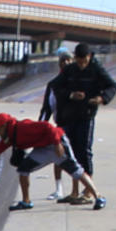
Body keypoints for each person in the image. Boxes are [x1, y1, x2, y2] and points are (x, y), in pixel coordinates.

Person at [0, 113, 104, 211]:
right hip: (42, 150)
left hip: (57, 143)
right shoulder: (9, 137)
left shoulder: (23, 126)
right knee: (23, 169)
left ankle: (98, 197)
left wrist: (57, 144)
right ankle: (26, 202)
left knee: (76, 171)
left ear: (5, 125)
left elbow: (48, 127)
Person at [49, 43, 116, 201]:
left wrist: (101, 98)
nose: (81, 65)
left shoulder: (96, 69)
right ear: (75, 58)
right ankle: (74, 192)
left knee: (84, 152)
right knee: (70, 152)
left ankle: (87, 191)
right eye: (79, 62)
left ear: (89, 57)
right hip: (69, 116)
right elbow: (55, 86)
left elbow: (112, 86)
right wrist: (70, 95)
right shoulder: (70, 70)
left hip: (86, 115)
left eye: (84, 62)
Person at [36, 53, 72, 200]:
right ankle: (59, 189)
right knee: (59, 156)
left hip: (78, 123)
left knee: (80, 156)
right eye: (63, 61)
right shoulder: (53, 84)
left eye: (69, 60)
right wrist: (40, 126)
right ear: (59, 64)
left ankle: (80, 190)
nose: (66, 63)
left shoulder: (78, 81)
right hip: (61, 125)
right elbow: (47, 108)